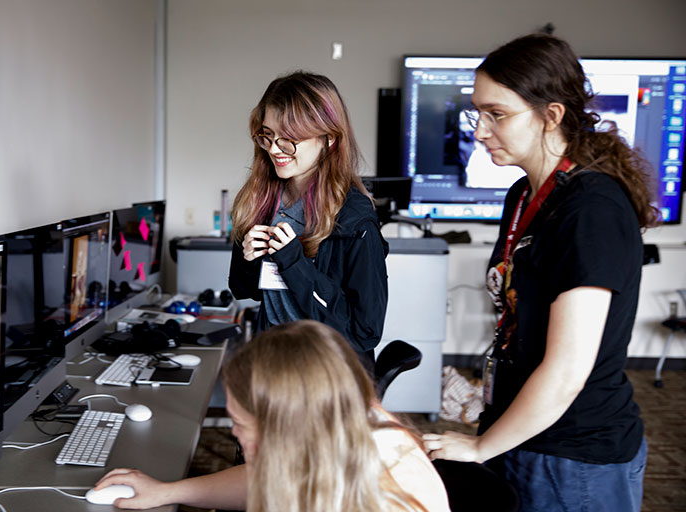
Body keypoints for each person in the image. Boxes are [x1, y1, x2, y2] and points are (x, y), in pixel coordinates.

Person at [423, 34, 655, 512]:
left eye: (497, 114)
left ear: (551, 115)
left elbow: (569, 368)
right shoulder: (524, 195)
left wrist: (482, 448)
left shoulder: (590, 209)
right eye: (477, 114)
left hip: (573, 455)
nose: (481, 130)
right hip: (522, 433)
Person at [93, 320, 450, 511]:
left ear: (286, 429)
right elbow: (266, 477)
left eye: (241, 424)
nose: (233, 433)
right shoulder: (348, 423)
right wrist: (168, 491)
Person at [228, 71, 389, 370]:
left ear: (328, 139)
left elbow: (364, 331)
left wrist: (293, 262)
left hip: (324, 373)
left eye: (290, 139)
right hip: (272, 361)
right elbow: (243, 289)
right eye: (268, 135)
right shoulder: (260, 200)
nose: (275, 149)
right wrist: (248, 259)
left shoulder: (355, 220)